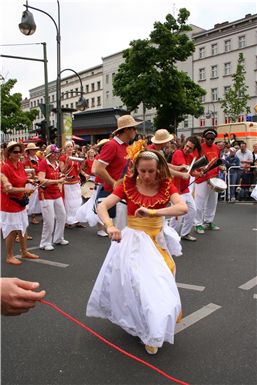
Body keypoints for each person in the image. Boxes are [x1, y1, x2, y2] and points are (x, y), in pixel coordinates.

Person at [86, 147, 188, 355]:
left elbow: (182, 208)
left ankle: (155, 324)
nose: (147, 175)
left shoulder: (166, 184)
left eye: (151, 171)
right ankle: (149, 331)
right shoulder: (127, 184)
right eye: (143, 171)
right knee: (141, 287)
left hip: (157, 241)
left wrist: (153, 212)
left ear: (159, 168)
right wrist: (110, 225)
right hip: (134, 243)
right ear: (135, 168)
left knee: (161, 283)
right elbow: (102, 206)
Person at [93, 115, 141, 230]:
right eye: (134, 128)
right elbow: (99, 169)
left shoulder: (126, 146)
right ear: (126, 130)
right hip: (114, 195)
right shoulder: (111, 145)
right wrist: (114, 183)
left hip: (124, 194)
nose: (136, 131)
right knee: (120, 234)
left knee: (126, 231)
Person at [0, 141, 39, 265]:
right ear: (9, 154)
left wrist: (29, 180)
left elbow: (21, 178)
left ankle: (24, 251)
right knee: (11, 230)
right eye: (15, 152)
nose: (18, 154)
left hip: (20, 202)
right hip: (9, 204)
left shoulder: (20, 165)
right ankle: (9, 256)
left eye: (19, 151)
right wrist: (25, 189)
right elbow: (7, 189)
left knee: (23, 226)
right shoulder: (5, 167)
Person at [170, 136, 202, 241]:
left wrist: (198, 173)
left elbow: (191, 171)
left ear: (194, 149)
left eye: (190, 148)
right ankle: (171, 237)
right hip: (176, 190)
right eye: (186, 146)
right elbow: (183, 167)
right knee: (177, 216)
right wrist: (193, 168)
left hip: (185, 189)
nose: (187, 149)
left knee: (193, 211)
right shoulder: (178, 153)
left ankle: (185, 233)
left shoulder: (192, 156)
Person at [37, 144, 69, 251]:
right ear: (50, 154)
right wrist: (57, 181)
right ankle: (45, 243)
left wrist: (61, 176)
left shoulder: (55, 163)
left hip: (56, 193)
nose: (58, 154)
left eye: (58, 153)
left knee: (62, 216)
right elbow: (41, 180)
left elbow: (56, 175)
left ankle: (58, 238)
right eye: (55, 153)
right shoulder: (43, 163)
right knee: (49, 220)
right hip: (45, 194)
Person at [194, 129, 222, 234]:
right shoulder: (199, 147)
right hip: (202, 178)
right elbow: (195, 162)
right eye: (208, 138)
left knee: (212, 202)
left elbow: (217, 161)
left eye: (212, 139)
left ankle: (208, 221)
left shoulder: (216, 148)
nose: (210, 140)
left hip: (214, 178)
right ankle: (197, 224)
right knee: (200, 201)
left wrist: (221, 167)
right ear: (204, 138)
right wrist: (199, 170)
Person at [59, 141, 84, 228]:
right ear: (65, 149)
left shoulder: (75, 157)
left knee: (77, 202)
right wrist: (66, 162)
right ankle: (68, 221)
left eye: (71, 146)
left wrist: (82, 165)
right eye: (68, 146)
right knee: (69, 203)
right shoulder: (62, 158)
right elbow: (62, 171)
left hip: (75, 182)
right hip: (68, 183)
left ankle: (76, 219)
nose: (70, 148)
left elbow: (77, 171)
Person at [23, 142, 41, 224]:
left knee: (36, 200)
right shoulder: (26, 161)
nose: (33, 151)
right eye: (32, 150)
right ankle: (25, 217)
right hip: (30, 182)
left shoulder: (39, 159)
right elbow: (28, 173)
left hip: (38, 181)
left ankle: (33, 217)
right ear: (28, 151)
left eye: (34, 149)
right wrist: (36, 177)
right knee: (30, 200)